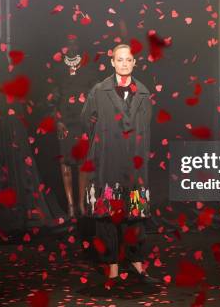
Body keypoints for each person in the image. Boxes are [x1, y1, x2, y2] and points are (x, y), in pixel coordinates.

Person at [81, 44, 158, 287]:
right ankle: (112, 266)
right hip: (107, 160)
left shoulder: (143, 93)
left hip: (134, 161)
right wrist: (104, 141)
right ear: (112, 62)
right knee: (106, 215)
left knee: (135, 214)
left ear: (134, 63)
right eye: (120, 59)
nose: (124, 63)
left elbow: (146, 126)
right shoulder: (99, 91)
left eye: (129, 60)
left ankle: (136, 262)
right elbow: (87, 120)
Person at [50, 35, 95, 218]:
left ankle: (81, 204)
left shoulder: (88, 68)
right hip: (65, 121)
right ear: (64, 46)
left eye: (75, 42)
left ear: (79, 45)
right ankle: (70, 206)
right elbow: (52, 99)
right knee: (65, 162)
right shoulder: (58, 69)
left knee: (82, 162)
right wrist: (57, 120)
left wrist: (93, 116)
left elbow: (94, 95)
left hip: (82, 121)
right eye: (68, 43)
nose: (72, 46)